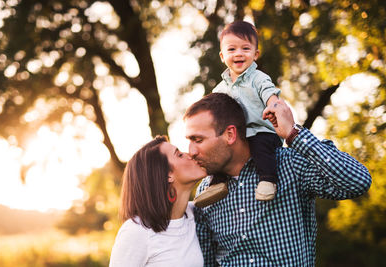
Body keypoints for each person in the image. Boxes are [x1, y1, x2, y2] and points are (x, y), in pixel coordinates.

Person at [184, 93, 371, 266]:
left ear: (230, 134)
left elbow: (357, 182)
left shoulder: (288, 165)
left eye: (198, 140)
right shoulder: (205, 191)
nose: (191, 151)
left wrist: (293, 133)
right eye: (189, 141)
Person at [109, 136, 206, 267]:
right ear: (168, 175)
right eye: (179, 155)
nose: (190, 154)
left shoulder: (194, 214)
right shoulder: (137, 230)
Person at [213, 20, 282, 201]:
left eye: (245, 48)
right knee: (219, 148)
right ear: (222, 56)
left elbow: (269, 92)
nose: (238, 54)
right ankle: (216, 183)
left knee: (260, 147)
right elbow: (212, 110)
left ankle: (268, 180)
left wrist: (273, 105)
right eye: (232, 49)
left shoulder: (258, 78)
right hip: (235, 137)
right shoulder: (219, 89)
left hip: (260, 131)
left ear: (255, 54)